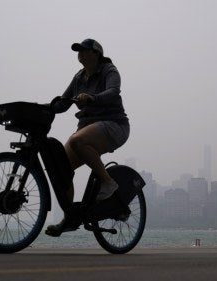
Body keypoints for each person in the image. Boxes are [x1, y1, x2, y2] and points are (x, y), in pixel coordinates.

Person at [46, 38, 130, 236]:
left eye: (84, 50)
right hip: (87, 126)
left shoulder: (109, 70)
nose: (80, 54)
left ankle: (108, 182)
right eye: (78, 51)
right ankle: (70, 218)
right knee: (61, 168)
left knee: (77, 141)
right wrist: (47, 107)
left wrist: (92, 97)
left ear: (96, 54)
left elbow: (113, 91)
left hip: (114, 125)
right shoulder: (79, 77)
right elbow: (64, 103)